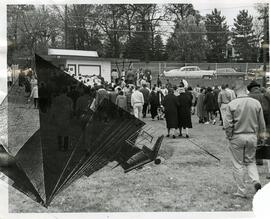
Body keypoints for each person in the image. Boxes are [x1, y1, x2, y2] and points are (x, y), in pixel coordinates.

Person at [224, 79, 266, 198]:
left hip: (237, 136)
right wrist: (262, 136)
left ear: (236, 91)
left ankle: (241, 191)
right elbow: (261, 123)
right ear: (246, 90)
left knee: (238, 164)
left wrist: (229, 135)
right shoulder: (256, 103)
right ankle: (255, 180)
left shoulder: (232, 104)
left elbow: (227, 124)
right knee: (251, 161)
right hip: (252, 136)